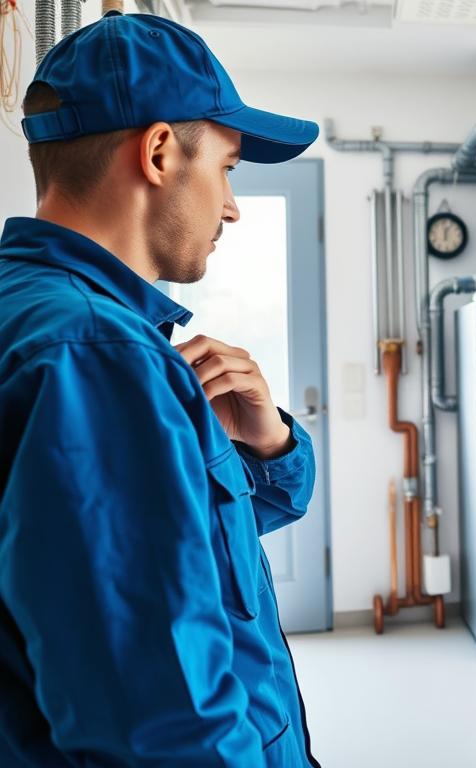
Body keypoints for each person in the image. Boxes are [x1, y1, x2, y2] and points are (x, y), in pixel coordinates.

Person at [0, 12, 322, 766]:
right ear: (157, 152)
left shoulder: (43, 316)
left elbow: (199, 544)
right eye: (229, 168)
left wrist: (271, 441)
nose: (233, 206)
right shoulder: (94, 354)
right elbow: (160, 718)